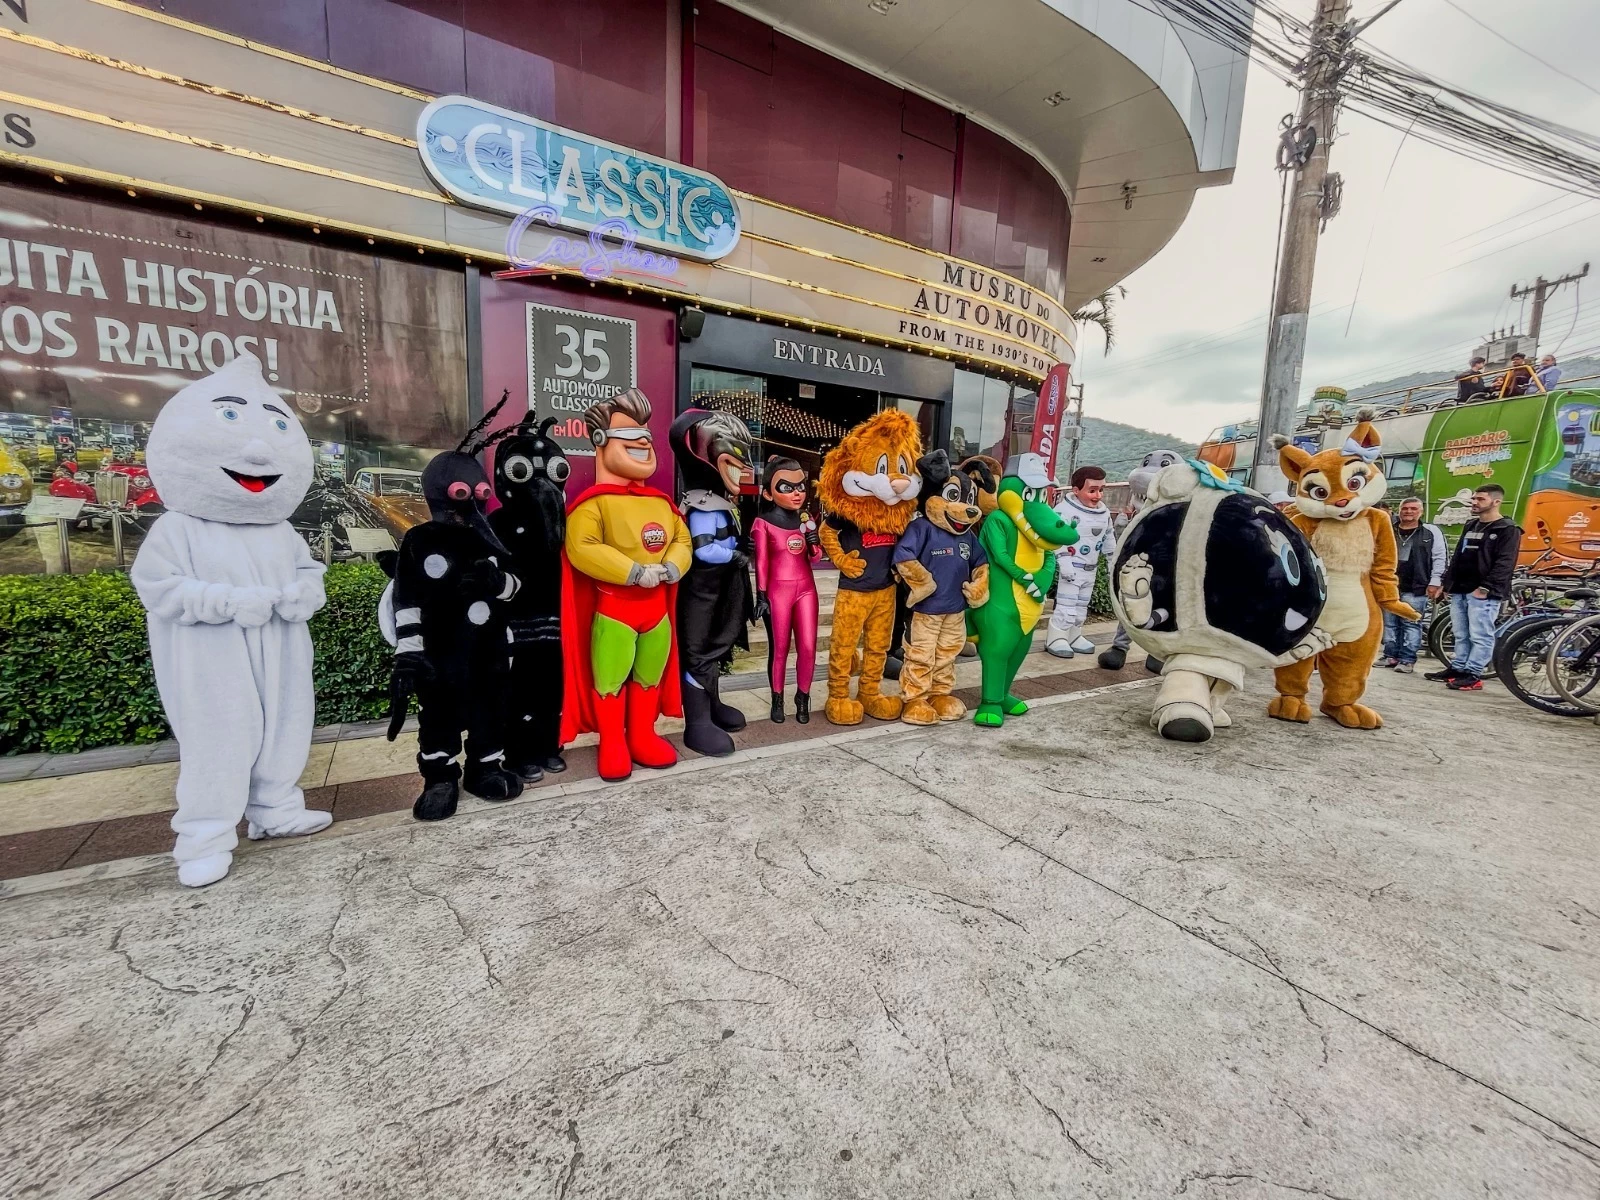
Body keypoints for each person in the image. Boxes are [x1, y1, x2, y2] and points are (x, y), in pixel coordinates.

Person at [561, 389, 693, 781]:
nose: (641, 442)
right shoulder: (593, 504)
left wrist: (671, 566)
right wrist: (633, 571)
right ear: (600, 442)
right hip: (615, 609)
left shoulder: (660, 502)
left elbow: (681, 539)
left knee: (650, 673)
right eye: (628, 435)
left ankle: (641, 734)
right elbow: (580, 547)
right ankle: (613, 741)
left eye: (646, 435)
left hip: (655, 612)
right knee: (611, 677)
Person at [1425, 483, 1522, 691]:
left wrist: (1486, 587)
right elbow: (1459, 555)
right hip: (1461, 587)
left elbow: (1505, 562)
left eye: (1480, 499)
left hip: (1484, 592)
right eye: (1474, 499)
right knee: (1461, 632)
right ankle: (1459, 667)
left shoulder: (1508, 529)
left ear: (1496, 502)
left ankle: (1473, 673)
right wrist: (1447, 583)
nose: (1474, 503)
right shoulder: (1471, 524)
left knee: (1480, 634)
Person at [1044, 465, 1113, 658]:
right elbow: (1057, 539)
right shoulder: (1063, 511)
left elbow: (1109, 539)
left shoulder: (1104, 513)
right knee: (1067, 605)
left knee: (1082, 606)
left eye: (1101, 490)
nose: (1097, 495)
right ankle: (1057, 637)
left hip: (1090, 569)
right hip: (1072, 568)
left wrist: (1112, 562)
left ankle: (1074, 635)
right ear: (1076, 490)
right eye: (1092, 490)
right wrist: (1064, 563)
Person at [1381, 497, 1445, 673]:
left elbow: (1439, 557)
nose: (1408, 512)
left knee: (1411, 623)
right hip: (1390, 585)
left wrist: (1435, 582)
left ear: (1421, 511)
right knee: (1389, 623)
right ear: (1399, 510)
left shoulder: (1430, 532)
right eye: (1405, 508)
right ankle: (1390, 655)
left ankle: (1407, 659)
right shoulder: (1389, 530)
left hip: (1416, 585)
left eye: (1413, 509)